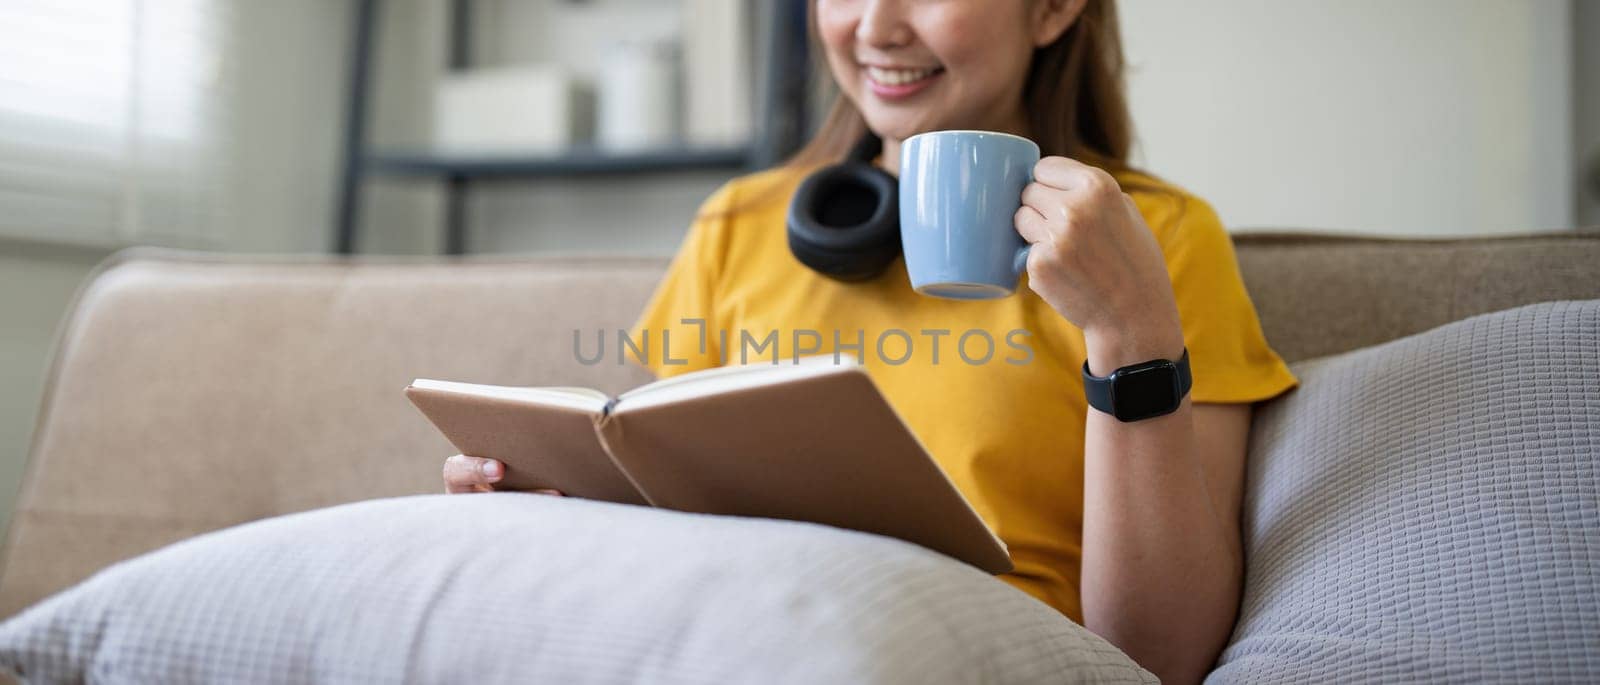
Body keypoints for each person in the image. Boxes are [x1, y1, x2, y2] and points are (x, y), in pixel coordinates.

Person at [443, 1, 1297, 682]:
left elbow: (1162, 656)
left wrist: (1127, 329)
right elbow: (664, 516)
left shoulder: (1156, 242)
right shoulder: (738, 225)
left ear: (1054, 9)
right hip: (743, 635)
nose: (876, 26)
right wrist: (547, 511)